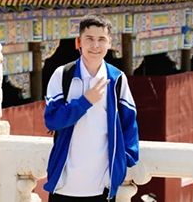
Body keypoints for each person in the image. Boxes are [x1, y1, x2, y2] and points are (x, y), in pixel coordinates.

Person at [44, 14, 139, 201]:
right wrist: (85, 102)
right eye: (89, 39)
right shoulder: (62, 75)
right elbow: (52, 121)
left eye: (101, 39)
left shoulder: (117, 79)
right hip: (64, 185)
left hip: (102, 186)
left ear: (109, 43)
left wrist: (124, 160)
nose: (95, 45)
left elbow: (129, 123)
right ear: (78, 42)